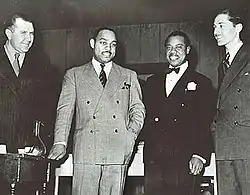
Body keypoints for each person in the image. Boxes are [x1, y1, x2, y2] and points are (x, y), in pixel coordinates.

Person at [48, 27, 145, 195]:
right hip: (87, 149)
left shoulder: (129, 75)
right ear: (92, 44)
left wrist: (130, 135)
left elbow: (137, 109)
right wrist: (60, 142)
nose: (108, 48)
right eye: (103, 43)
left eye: (113, 44)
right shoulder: (74, 75)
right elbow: (64, 111)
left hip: (117, 149)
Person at [143, 31, 216, 195]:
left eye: (178, 47)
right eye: (169, 47)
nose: (173, 52)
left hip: (185, 158)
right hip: (155, 157)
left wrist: (199, 154)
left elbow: (205, 121)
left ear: (188, 50)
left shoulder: (202, 83)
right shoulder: (152, 82)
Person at [0, 13, 61, 194]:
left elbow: (48, 107)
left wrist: (39, 141)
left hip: (27, 149)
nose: (29, 39)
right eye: (24, 33)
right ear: (9, 34)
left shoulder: (41, 63)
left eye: (32, 33)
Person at [212, 8, 250, 195]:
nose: (215, 31)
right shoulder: (222, 65)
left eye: (221, 25)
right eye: (214, 27)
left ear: (238, 28)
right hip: (224, 143)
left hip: (245, 142)